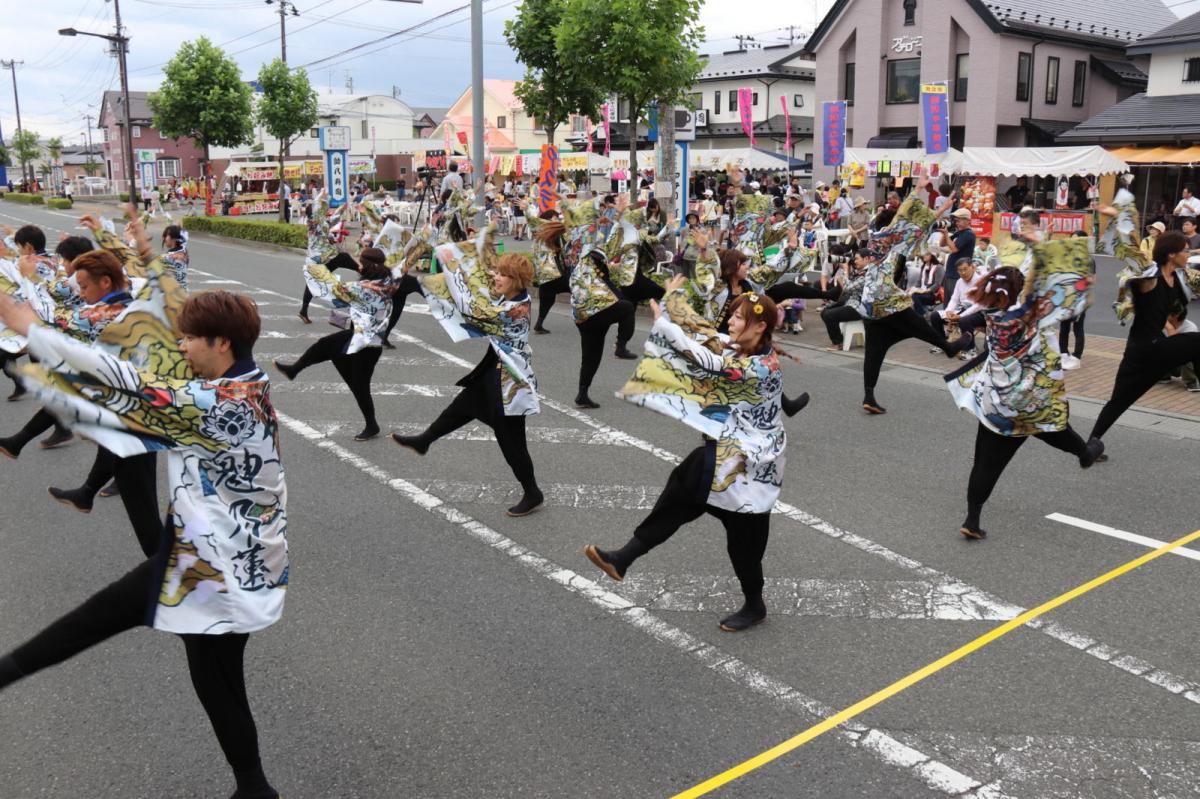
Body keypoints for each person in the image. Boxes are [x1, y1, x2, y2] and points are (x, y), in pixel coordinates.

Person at [0, 287, 287, 799]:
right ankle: (254, 787)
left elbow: (128, 381)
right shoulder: (250, 383)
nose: (182, 347)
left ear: (222, 343)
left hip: (209, 567)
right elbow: (142, 384)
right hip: (239, 562)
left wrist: (32, 331)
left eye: (191, 339)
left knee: (93, 620)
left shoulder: (217, 404)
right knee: (217, 680)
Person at [584, 281, 786, 632]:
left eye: (740, 317)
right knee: (679, 493)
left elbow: (709, 362)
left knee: (745, 548)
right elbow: (704, 330)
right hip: (720, 456)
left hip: (750, 467)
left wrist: (664, 327)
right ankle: (623, 558)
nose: (732, 322)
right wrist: (673, 302)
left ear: (761, 326)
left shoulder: (763, 367)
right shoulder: (734, 346)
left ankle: (755, 604)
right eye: (734, 315)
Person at [946, 245, 1104, 540]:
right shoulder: (1027, 318)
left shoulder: (992, 315)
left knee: (985, 461)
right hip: (1027, 404)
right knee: (1055, 429)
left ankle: (973, 518)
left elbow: (967, 322)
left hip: (996, 404)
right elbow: (1061, 300)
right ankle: (1085, 452)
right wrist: (1083, 281)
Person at [393, 252, 544, 517]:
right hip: (494, 371)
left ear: (517, 280)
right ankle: (425, 440)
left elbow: (472, 313)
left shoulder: (513, 309)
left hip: (509, 383)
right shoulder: (512, 297)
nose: (496, 277)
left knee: (512, 444)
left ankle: (532, 493)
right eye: (497, 272)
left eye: (502, 274)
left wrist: (435, 282)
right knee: (462, 405)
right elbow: (478, 285)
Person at [1090, 196, 1200, 448]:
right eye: (1185, 250)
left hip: (1158, 348)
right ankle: (1091, 443)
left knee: (1195, 341)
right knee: (1118, 401)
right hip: (1141, 351)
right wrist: (1116, 218)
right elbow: (1132, 249)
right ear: (1171, 254)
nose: (1188, 253)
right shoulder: (1151, 277)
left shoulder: (1180, 279)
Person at [856, 182, 973, 414]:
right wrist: (918, 188)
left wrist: (940, 210)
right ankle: (947, 347)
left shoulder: (873, 234)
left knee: (875, 351)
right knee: (917, 322)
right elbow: (915, 224)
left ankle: (869, 396)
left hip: (870, 303)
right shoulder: (893, 240)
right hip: (886, 299)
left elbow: (919, 224)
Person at [275, 247, 394, 441]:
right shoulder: (388, 281)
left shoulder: (362, 287)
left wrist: (316, 270)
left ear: (368, 266)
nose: (358, 265)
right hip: (364, 337)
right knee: (330, 349)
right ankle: (294, 369)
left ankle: (372, 425)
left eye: (361, 262)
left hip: (366, 343)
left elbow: (332, 290)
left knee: (358, 384)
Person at [941, 207, 975, 300]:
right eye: (956, 221)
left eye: (959, 220)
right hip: (950, 272)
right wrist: (944, 234)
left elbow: (954, 249)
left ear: (968, 221)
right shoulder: (959, 233)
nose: (957, 223)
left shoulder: (968, 234)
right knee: (947, 301)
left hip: (958, 274)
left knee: (954, 301)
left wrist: (947, 235)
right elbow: (942, 244)